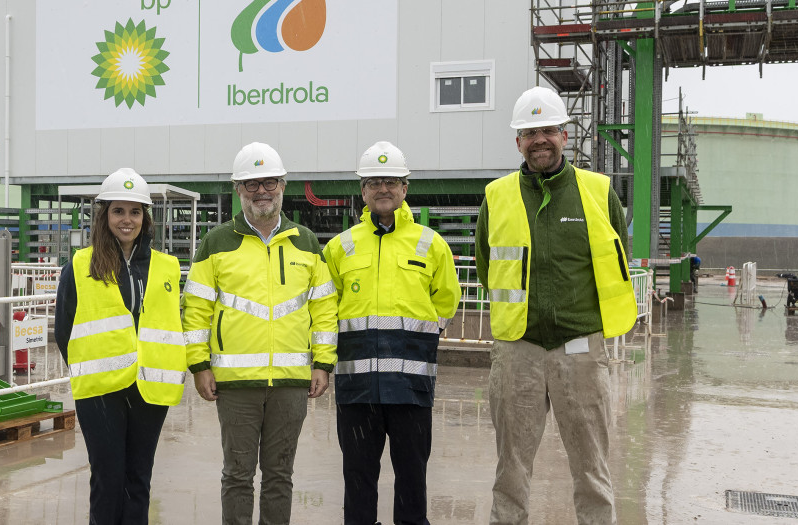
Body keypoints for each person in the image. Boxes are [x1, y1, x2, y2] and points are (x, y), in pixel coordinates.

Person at [476, 86, 637, 525]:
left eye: (548, 129)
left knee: (591, 469)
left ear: (566, 135)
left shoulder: (599, 193)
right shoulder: (496, 196)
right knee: (511, 470)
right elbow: (487, 264)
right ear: (518, 142)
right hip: (517, 348)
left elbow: (617, 255)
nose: (539, 139)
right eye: (529, 132)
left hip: (581, 348)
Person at [182, 142, 338, 525]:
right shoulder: (216, 243)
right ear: (238, 190)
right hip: (235, 384)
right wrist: (199, 365)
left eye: (269, 182)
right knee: (237, 476)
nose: (261, 191)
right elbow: (196, 310)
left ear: (283, 185)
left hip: (290, 382)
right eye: (251, 184)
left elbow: (324, 310)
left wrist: (323, 364)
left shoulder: (306, 242)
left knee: (280, 476)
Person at [323, 141, 462, 525]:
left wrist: (421, 338)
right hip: (357, 389)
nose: (383, 189)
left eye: (392, 181)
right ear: (362, 190)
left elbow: (446, 301)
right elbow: (324, 308)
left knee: (413, 480)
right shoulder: (340, 247)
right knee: (358, 480)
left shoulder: (431, 245)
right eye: (374, 182)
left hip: (411, 387)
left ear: (405, 189)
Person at [53, 167, 188, 525]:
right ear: (104, 215)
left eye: (135, 211)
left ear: (146, 217)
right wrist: (92, 363)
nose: (127, 220)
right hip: (100, 391)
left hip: (150, 388)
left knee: (138, 479)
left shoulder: (168, 267)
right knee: (107, 478)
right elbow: (63, 329)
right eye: (118, 211)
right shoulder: (80, 266)